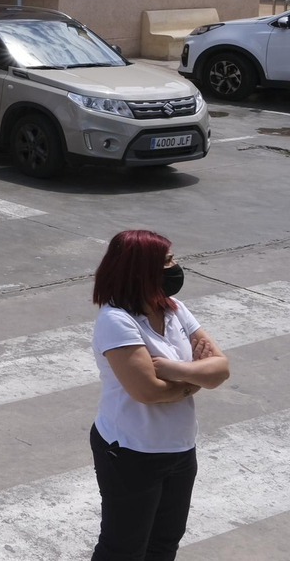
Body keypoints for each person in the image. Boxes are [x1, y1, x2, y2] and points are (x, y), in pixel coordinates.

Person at [89, 229, 231, 561]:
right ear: (141, 269)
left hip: (180, 447)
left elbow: (221, 369)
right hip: (131, 451)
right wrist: (195, 379)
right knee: (122, 549)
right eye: (167, 261)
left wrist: (172, 369)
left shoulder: (174, 310)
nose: (176, 266)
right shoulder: (116, 321)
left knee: (164, 543)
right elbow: (148, 392)